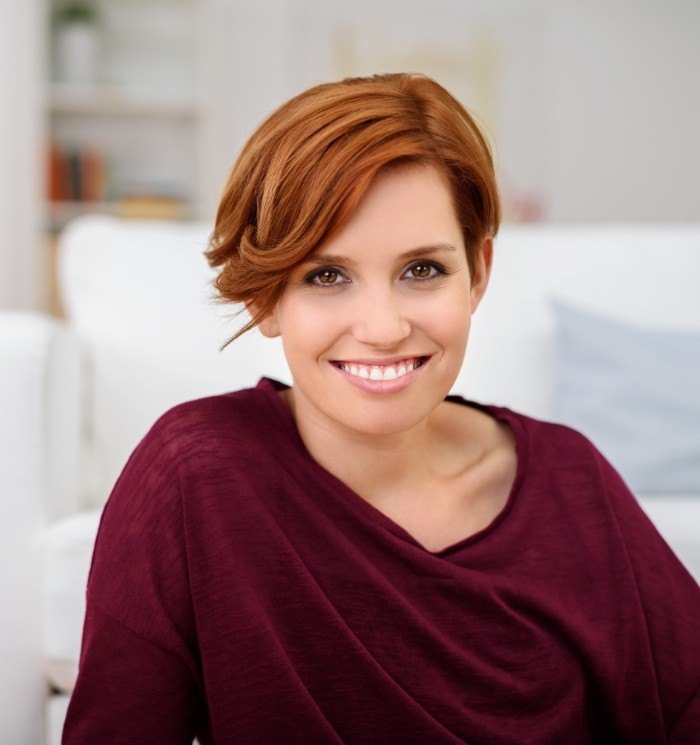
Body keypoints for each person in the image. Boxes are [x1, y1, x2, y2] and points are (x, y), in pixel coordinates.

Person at [63, 73, 699, 744]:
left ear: (478, 272)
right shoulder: (194, 475)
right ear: (264, 298)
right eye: (326, 275)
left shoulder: (570, 477)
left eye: (421, 270)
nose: (383, 326)